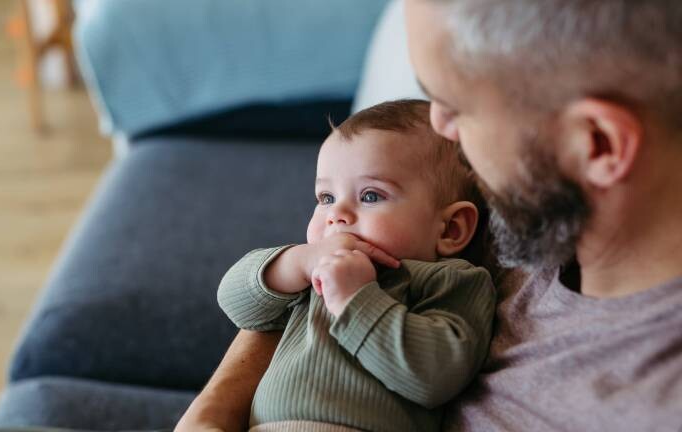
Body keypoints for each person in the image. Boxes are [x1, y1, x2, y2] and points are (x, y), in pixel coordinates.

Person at [177, 1, 682, 431]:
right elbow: (292, 297)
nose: (438, 125)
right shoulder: (528, 203)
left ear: (597, 144)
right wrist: (210, 415)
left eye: (455, 105)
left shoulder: (654, 397)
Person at [217, 100, 496, 432]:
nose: (336, 214)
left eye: (370, 196)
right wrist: (296, 262)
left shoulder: (451, 279)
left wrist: (355, 299)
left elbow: (436, 378)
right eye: (326, 198)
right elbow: (235, 304)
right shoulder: (312, 271)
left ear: (450, 229)